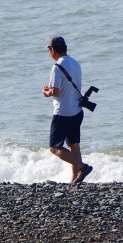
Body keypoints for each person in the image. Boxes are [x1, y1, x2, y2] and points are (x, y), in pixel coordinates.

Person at [42, 36, 93, 183]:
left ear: (52, 50)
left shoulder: (57, 67)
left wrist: (47, 92)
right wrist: (52, 89)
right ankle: (75, 179)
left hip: (63, 113)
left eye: (49, 50)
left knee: (54, 147)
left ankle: (82, 167)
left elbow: (56, 92)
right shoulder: (75, 63)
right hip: (77, 110)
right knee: (74, 146)